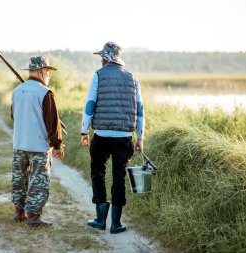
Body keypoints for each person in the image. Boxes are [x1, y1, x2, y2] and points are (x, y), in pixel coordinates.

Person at [80, 42, 145, 234]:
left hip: (101, 135)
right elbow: (140, 111)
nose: (100, 59)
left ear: (106, 58)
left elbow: (90, 104)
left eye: (102, 57)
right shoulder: (133, 78)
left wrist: (84, 131)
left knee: (97, 173)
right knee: (119, 178)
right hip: (124, 138)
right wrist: (140, 138)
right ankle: (116, 224)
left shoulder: (98, 75)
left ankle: (101, 220)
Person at [11, 56, 64, 227]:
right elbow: (53, 123)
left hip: (19, 144)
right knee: (39, 181)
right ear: (41, 71)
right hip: (39, 146)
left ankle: (19, 213)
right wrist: (57, 144)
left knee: (20, 179)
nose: (49, 75)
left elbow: (14, 116)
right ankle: (33, 217)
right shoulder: (45, 93)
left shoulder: (17, 91)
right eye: (48, 72)